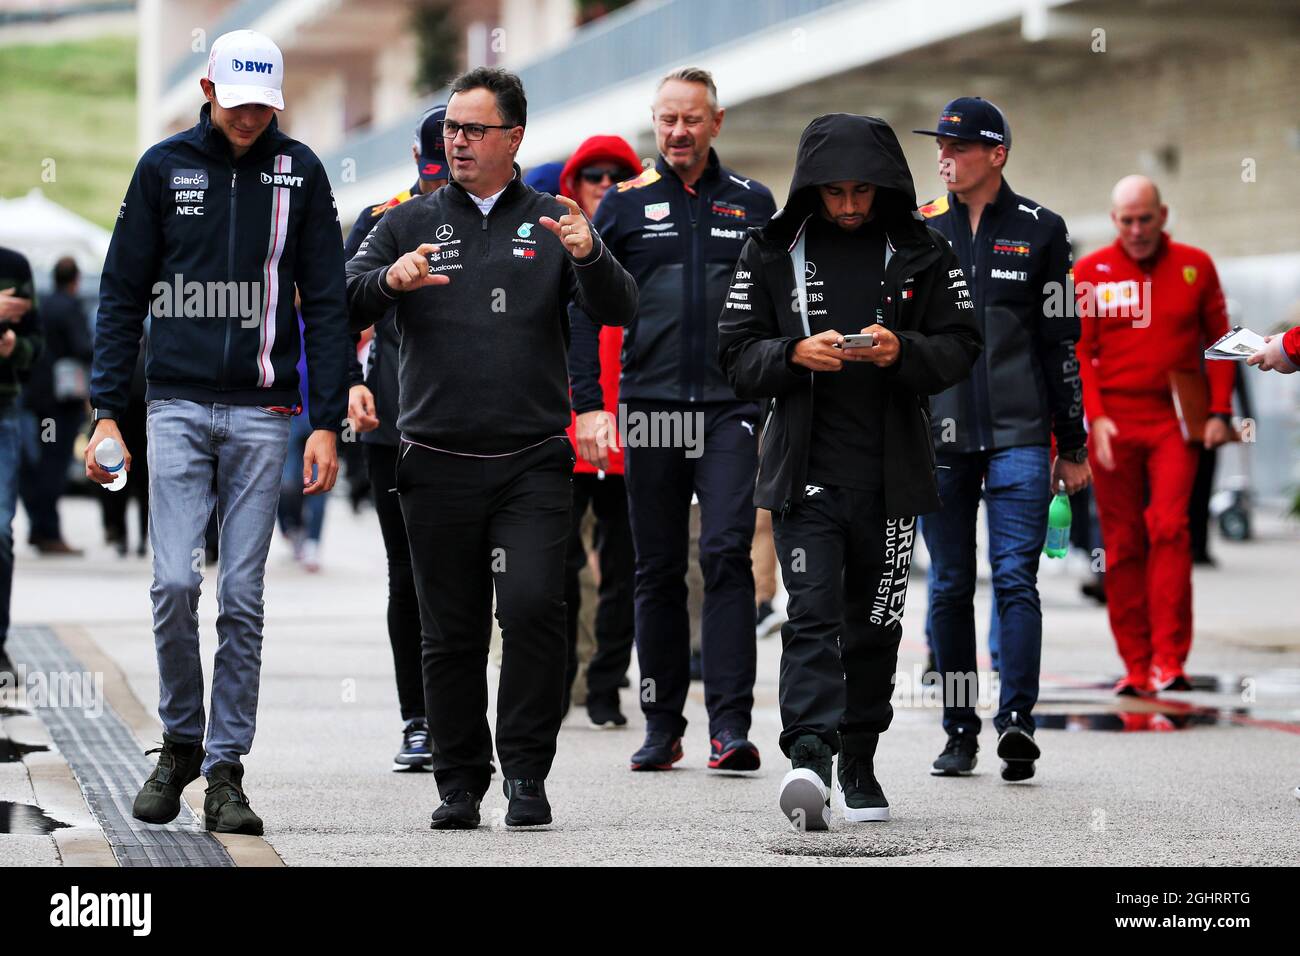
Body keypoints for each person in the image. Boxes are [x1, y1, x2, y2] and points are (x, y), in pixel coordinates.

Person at [345, 67, 637, 830]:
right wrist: (389, 279)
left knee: (537, 607)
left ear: (514, 137)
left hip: (532, 461)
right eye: (451, 129)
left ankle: (527, 775)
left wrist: (590, 253)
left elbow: (620, 308)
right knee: (451, 631)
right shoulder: (406, 221)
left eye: (475, 130)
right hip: (435, 460)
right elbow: (339, 298)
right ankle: (460, 782)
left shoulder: (555, 218)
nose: (458, 141)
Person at [86, 30, 351, 835]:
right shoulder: (164, 167)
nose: (247, 117)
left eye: (261, 105)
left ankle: (227, 769)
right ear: (208, 87)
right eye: (234, 103)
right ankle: (179, 743)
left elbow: (329, 301)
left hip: (265, 411)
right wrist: (107, 409)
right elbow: (122, 291)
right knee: (172, 584)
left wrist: (327, 421)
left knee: (242, 594)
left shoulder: (299, 171)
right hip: (173, 405)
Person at [718, 112, 981, 828]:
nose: (849, 205)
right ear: (810, 189)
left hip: (893, 473)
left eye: (863, 190)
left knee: (875, 626)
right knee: (811, 617)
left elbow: (962, 344)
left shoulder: (927, 249)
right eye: (833, 192)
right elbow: (735, 354)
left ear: (887, 185)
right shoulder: (771, 250)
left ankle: (859, 758)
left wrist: (904, 353)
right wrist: (792, 355)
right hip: (806, 472)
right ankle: (808, 757)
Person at [569, 66, 776, 773]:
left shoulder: (754, 203)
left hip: (729, 409)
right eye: (666, 120)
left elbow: (778, 306)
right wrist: (589, 403)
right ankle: (661, 724)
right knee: (655, 567)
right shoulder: (624, 206)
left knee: (724, 554)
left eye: (691, 119)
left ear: (716, 122)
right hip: (650, 407)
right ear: (654, 125)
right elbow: (580, 304)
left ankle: (730, 726)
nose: (678, 132)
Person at [911, 97, 1090, 782]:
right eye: (940, 146)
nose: (944, 157)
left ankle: (1017, 720)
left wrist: (1069, 445)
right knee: (951, 585)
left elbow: (1061, 344)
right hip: (941, 438)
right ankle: (960, 731)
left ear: (997, 154)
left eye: (958, 146)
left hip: (1020, 434)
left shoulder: (1043, 229)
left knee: (1017, 579)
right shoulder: (920, 228)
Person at [1074, 175, 1233, 696]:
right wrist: (1095, 416)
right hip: (1114, 424)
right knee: (1119, 545)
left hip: (1172, 422)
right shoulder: (1091, 272)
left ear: (1163, 216)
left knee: (1169, 529)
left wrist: (1219, 411)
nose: (1137, 230)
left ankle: (1170, 658)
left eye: (1146, 219)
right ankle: (1137, 663)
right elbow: (1080, 353)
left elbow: (1221, 340)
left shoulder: (1196, 265)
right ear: (1114, 220)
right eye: (1127, 220)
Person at [343, 105, 450, 772]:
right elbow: (337, 308)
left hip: (474, 427)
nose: (442, 188)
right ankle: (418, 721)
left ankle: (462, 716)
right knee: (408, 576)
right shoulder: (382, 219)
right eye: (433, 175)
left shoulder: (500, 218)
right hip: (393, 425)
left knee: (470, 580)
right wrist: (343, 388)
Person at [559, 134, 641, 727]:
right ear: (575, 186)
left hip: (634, 431)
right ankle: (559, 682)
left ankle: (608, 686)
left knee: (626, 568)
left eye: (618, 175)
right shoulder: (550, 246)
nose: (605, 184)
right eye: (594, 176)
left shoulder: (642, 247)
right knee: (556, 568)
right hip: (564, 432)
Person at [19, 256, 92, 556]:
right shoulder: (69, 306)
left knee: (42, 459)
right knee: (53, 462)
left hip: (37, 399)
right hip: (58, 404)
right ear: (75, 280)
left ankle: (41, 527)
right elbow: (81, 347)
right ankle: (47, 530)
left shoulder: (43, 304)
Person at [0, 248, 43, 678]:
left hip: (4, 411)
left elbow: (38, 341)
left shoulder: (14, 266)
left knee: (0, 529)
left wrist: (14, 345)